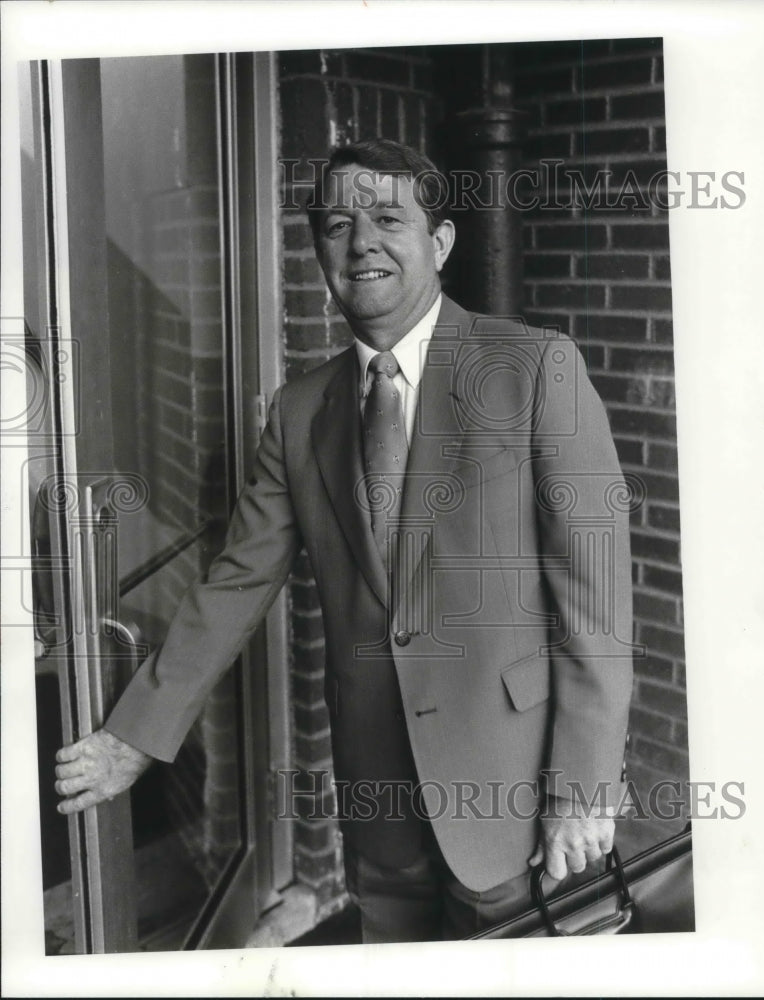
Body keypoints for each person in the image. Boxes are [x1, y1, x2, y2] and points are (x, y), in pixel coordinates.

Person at [55, 138, 634, 943]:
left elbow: (594, 600)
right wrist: (136, 735)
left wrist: (582, 790)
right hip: (377, 796)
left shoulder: (534, 368)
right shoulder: (300, 413)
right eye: (335, 223)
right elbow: (236, 584)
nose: (360, 240)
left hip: (518, 790)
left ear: (440, 242)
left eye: (388, 217)